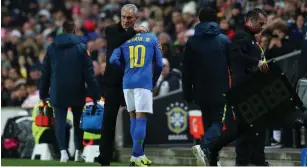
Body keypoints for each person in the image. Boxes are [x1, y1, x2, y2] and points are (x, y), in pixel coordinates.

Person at [193, 8, 270, 166]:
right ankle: (211, 148)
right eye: (260, 23)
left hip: (251, 89)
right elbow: (236, 56)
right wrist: (257, 62)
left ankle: (257, 161)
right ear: (250, 20)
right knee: (240, 129)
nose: (263, 27)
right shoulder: (242, 36)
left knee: (253, 127)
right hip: (242, 89)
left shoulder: (252, 40)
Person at [95, 4, 150, 166]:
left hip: (133, 83)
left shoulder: (142, 35)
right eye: (124, 17)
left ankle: (138, 156)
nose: (125, 20)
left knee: (138, 120)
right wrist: (133, 32)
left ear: (136, 19)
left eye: (129, 18)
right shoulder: (111, 30)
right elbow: (116, 42)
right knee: (108, 121)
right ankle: (104, 156)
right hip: (112, 83)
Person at [39, 20, 101, 162]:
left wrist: (43, 93)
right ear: (74, 30)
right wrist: (96, 94)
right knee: (78, 120)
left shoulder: (51, 48)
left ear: (62, 30)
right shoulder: (81, 47)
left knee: (60, 121)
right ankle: (79, 151)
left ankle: (63, 153)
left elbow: (45, 73)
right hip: (77, 89)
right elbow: (89, 74)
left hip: (57, 90)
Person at [182, 7, 231, 166]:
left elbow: (186, 70)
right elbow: (234, 67)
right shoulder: (224, 40)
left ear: (199, 19)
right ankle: (203, 147)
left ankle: (212, 161)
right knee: (218, 124)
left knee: (209, 124)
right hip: (220, 91)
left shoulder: (192, 42)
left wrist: (187, 92)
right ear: (215, 20)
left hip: (200, 91)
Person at [110, 32, 163, 166]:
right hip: (143, 82)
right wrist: (154, 80)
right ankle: (135, 155)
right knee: (141, 118)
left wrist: (126, 69)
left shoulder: (123, 39)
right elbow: (159, 64)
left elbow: (113, 60)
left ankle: (140, 155)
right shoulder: (151, 38)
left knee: (133, 117)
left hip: (127, 83)